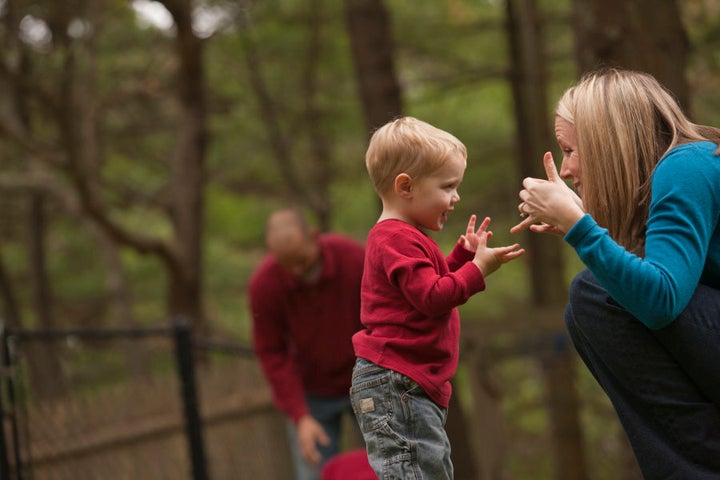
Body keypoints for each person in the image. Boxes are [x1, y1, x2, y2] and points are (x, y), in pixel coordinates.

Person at [511, 68, 720, 479]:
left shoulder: (686, 167)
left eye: (570, 151)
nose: (567, 169)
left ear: (606, 142)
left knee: (594, 294)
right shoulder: (677, 173)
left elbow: (662, 301)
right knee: (590, 303)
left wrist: (580, 227)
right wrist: (586, 223)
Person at [350, 116, 525, 479]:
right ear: (406, 186)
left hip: (406, 382)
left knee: (431, 469)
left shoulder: (404, 237)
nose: (456, 197)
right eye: (447, 186)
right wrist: (478, 271)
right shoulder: (394, 238)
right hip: (396, 381)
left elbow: (422, 291)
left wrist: (461, 257)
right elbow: (432, 297)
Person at [249, 208, 366, 480]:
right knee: (313, 473)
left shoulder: (352, 259)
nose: (297, 271)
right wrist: (300, 415)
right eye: (287, 265)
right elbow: (272, 353)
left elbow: (383, 318)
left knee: (391, 465)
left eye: (301, 260)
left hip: (365, 380)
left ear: (314, 236)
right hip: (313, 396)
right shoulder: (264, 286)